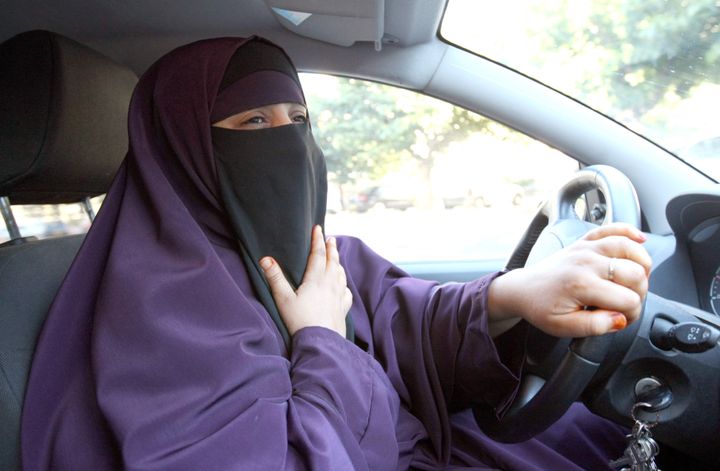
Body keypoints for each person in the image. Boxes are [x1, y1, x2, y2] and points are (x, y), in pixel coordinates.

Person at [21, 36, 650, 470]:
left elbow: (401, 320)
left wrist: (513, 294)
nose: (291, 145)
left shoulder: (307, 254)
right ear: (184, 150)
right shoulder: (158, 314)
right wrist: (320, 340)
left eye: (299, 118)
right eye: (255, 124)